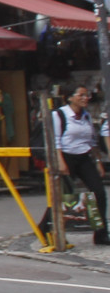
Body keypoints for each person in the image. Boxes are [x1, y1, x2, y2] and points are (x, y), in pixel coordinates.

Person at [53, 86, 109, 246]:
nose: (85, 98)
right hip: (66, 156)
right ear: (70, 97)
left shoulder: (86, 116)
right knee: (64, 197)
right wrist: (60, 161)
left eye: (87, 95)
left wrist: (98, 162)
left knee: (99, 192)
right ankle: (48, 230)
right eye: (81, 95)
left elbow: (92, 141)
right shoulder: (59, 115)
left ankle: (101, 234)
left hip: (84, 157)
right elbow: (56, 140)